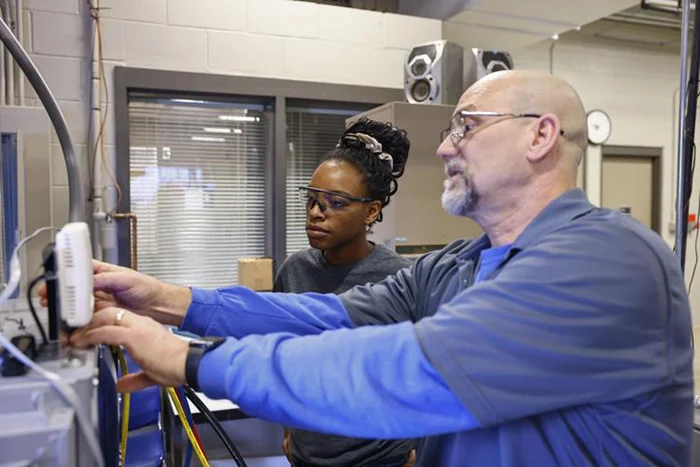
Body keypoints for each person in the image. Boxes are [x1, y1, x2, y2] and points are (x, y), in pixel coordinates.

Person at [65, 70, 693, 466]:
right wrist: (169, 301)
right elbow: (325, 316)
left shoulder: (607, 258)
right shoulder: (456, 264)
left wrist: (194, 361)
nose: (446, 146)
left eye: (467, 127)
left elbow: (413, 371)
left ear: (540, 136)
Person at [275, 118, 415, 467]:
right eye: (311, 200)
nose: (315, 214)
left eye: (335, 203)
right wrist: (290, 430)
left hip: (380, 458)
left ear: (371, 211)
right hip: (307, 456)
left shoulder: (400, 278)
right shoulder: (294, 272)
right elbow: (285, 360)